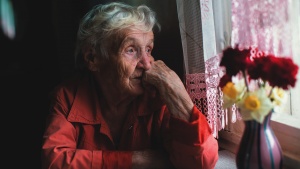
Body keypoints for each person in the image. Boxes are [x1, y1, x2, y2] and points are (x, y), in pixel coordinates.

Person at [41, 2, 218, 169]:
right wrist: (137, 159)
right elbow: (54, 162)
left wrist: (176, 91)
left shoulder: (157, 97)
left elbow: (203, 162)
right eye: (131, 50)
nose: (147, 64)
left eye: (148, 50)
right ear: (92, 59)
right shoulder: (67, 97)